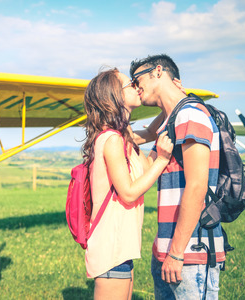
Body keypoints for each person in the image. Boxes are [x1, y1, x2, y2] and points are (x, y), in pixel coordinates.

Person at [129, 54, 225, 299]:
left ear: (158, 71)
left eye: (136, 79)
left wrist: (176, 252)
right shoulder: (170, 122)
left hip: (189, 253)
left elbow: (197, 187)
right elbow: (146, 167)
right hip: (166, 249)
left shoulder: (191, 115)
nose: (135, 86)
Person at [82, 68, 174, 300]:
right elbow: (129, 192)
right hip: (112, 248)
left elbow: (146, 163)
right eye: (130, 84)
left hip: (121, 247)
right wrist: (163, 159)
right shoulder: (113, 140)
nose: (136, 86)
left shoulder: (123, 136)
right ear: (114, 95)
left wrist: (171, 101)